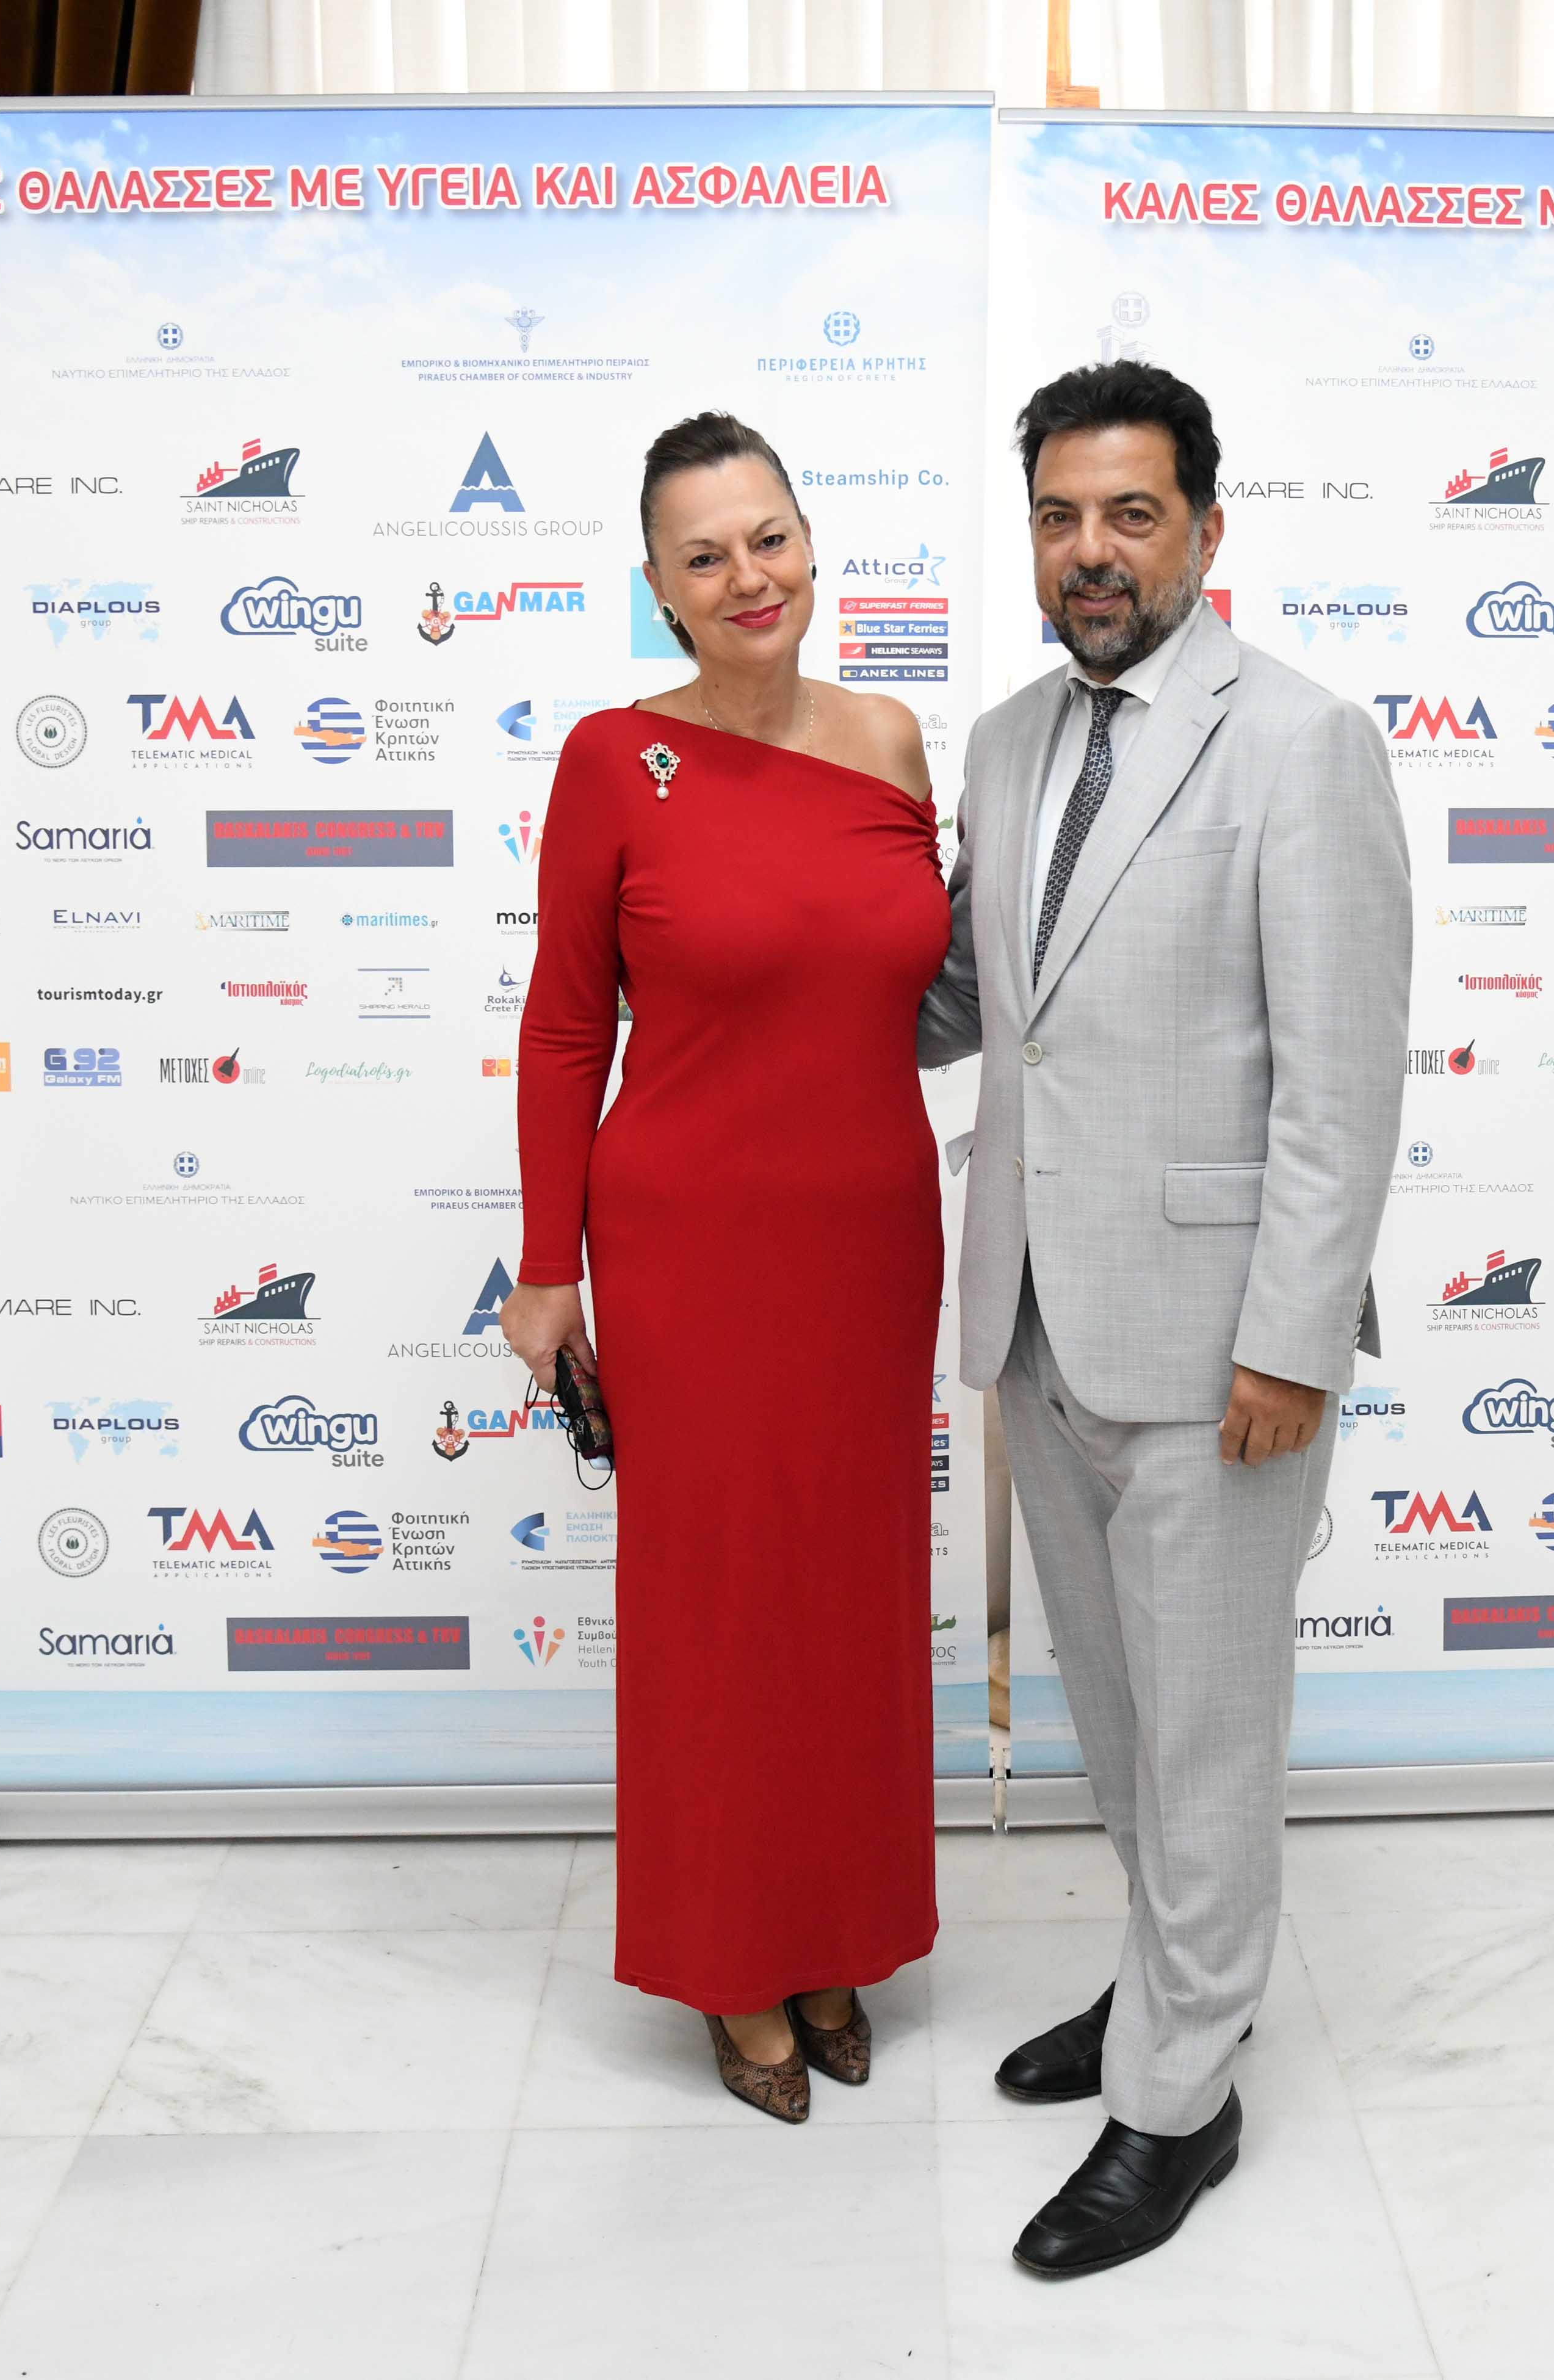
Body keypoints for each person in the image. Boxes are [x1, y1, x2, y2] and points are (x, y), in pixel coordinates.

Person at [921, 361, 1410, 2274]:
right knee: (1121, 1725)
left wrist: (1292, 1335)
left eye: (1129, 514)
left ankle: (1178, 2100)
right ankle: (1167, 1990)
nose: (1091, 550)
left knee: (1204, 1737)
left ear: (1205, 526)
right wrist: (741, 940)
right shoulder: (1002, 742)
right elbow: (975, 1001)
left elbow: (1339, 1081)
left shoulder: (1300, 741)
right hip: (1039, 1317)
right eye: (1059, 516)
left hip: (1221, 1347)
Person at [502, 413, 945, 2125]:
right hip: (689, 1244)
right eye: (706, 556)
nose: (748, 576)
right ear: (659, 588)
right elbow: (566, 1024)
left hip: (870, 1237)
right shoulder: (615, 759)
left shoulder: (892, 741)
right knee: (719, 1613)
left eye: (769, 537)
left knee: (845, 1601)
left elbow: (915, 981)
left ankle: (833, 1931)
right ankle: (730, 1958)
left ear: (811, 544)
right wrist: (548, 1268)